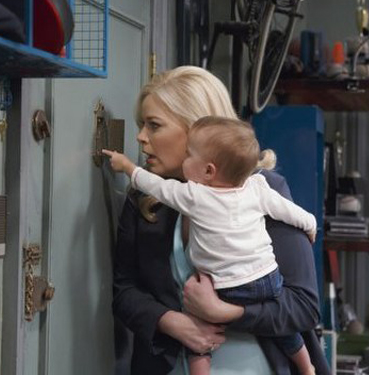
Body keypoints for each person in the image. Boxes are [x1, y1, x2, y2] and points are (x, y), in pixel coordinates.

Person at [111, 65, 330, 375]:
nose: (141, 137)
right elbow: (124, 291)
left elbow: (303, 307)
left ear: (196, 129)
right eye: (141, 125)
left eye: (154, 125)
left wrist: (226, 312)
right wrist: (170, 321)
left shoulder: (260, 190)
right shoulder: (145, 197)